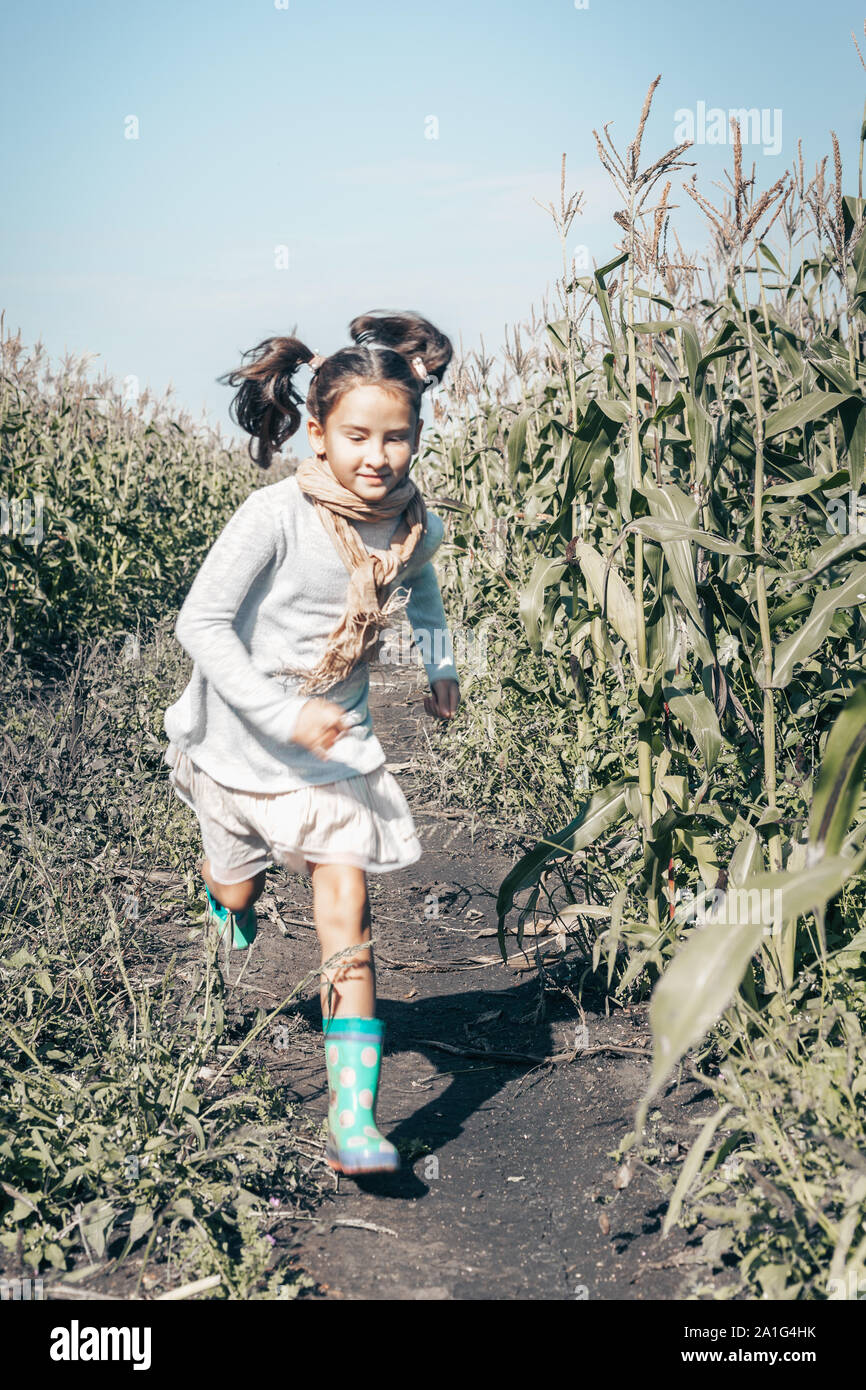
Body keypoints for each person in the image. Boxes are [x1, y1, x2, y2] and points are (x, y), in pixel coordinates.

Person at [162, 311, 460, 1176]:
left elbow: (424, 587)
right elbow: (202, 623)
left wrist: (441, 663)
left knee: (348, 913)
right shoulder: (275, 515)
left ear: (417, 436)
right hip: (240, 742)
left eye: (397, 437)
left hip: (337, 745)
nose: (379, 456)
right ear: (319, 432)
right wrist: (279, 712)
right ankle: (235, 899)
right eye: (358, 436)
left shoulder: (412, 524)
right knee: (236, 887)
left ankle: (353, 1122)